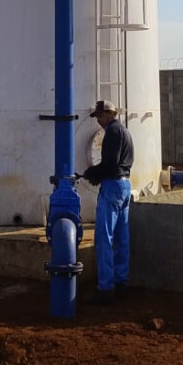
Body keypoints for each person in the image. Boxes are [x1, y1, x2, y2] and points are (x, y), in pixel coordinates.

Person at [81, 99, 133, 304]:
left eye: (101, 116)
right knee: (122, 237)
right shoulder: (126, 132)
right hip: (125, 185)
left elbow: (110, 163)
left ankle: (105, 289)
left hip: (112, 187)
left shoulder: (112, 132)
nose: (99, 121)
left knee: (104, 238)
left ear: (111, 114)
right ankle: (121, 283)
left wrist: (92, 173)